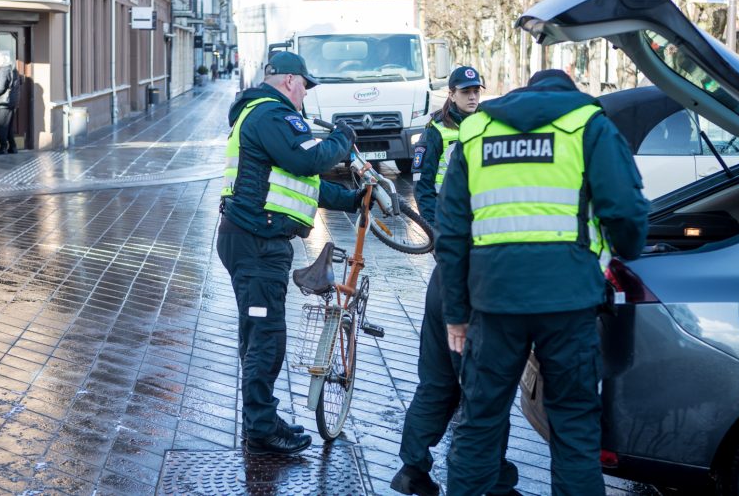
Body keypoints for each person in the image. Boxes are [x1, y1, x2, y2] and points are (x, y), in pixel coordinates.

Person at [437, 69, 649, 496]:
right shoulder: (588, 125)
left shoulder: (475, 131)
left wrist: (456, 314)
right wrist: (626, 249)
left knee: (480, 421)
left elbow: (452, 233)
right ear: (569, 94)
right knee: (573, 425)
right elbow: (625, 211)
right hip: (569, 301)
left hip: (494, 304)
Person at [217, 51, 363, 456]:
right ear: (289, 82)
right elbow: (307, 158)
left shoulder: (265, 116)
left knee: (262, 336)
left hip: (256, 240)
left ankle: (262, 419)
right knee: (265, 338)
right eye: (305, 85)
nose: (306, 94)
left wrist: (352, 200)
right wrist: (342, 138)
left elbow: (300, 181)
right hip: (256, 243)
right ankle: (261, 430)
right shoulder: (270, 115)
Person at [393, 66, 521, 496]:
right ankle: (492, 476)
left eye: (476, 91)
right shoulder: (448, 135)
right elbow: (422, 185)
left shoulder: (480, 132)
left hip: (447, 274)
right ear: (451, 94)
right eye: (465, 91)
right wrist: (438, 229)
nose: (472, 97)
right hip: (470, 276)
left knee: (437, 381)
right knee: (484, 387)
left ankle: (412, 468)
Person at [0, 51, 21, 154]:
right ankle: (13, 147)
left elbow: (0, 87)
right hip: (12, 102)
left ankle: (3, 147)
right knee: (8, 127)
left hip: (4, 102)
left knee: (2, 126)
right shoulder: (13, 70)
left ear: (2, 60)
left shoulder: (3, 71)